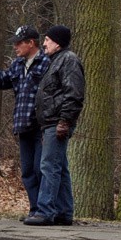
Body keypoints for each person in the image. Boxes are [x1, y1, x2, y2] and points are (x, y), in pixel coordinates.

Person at [0, 25, 50, 220]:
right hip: (23, 125)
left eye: (19, 43)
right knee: (27, 171)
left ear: (31, 43)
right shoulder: (18, 65)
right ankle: (35, 210)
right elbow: (2, 80)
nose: (15, 47)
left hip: (41, 126)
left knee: (40, 169)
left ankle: (46, 210)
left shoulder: (46, 63)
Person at [24, 25, 85, 226]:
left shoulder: (68, 60)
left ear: (57, 42)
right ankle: (64, 211)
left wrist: (64, 121)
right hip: (50, 123)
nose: (44, 44)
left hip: (57, 122)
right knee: (60, 167)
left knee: (48, 166)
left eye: (48, 40)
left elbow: (73, 93)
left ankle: (45, 211)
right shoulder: (55, 61)